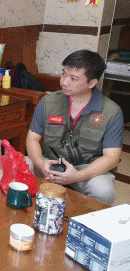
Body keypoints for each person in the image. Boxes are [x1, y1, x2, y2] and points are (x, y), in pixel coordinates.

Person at [26, 50, 123, 204]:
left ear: (92, 83)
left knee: (103, 192)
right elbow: (32, 138)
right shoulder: (48, 102)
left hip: (86, 170)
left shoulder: (111, 112)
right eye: (64, 74)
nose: (64, 82)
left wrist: (77, 176)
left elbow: (112, 157)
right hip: (50, 163)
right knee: (20, 165)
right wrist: (39, 163)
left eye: (73, 78)